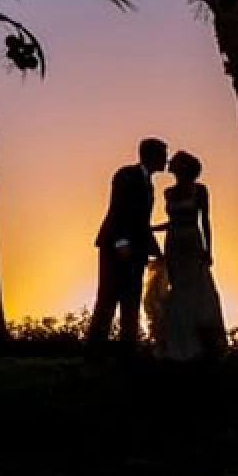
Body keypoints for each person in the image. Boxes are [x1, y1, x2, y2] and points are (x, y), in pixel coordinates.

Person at [87, 137, 166, 352]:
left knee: (131, 297)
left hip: (137, 249)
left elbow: (142, 222)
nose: (166, 160)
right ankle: (94, 349)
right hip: (116, 246)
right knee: (108, 296)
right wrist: (122, 243)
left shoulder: (149, 183)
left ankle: (128, 348)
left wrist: (156, 251)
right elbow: (119, 209)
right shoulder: (126, 175)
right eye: (163, 154)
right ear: (152, 155)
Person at [151, 150, 228, 362]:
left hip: (192, 241)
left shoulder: (200, 191)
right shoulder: (168, 193)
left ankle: (203, 342)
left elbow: (205, 221)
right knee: (177, 290)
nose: (170, 164)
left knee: (196, 289)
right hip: (174, 242)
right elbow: (172, 222)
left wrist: (208, 250)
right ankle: (180, 342)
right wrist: (152, 229)